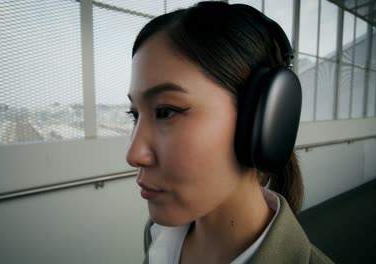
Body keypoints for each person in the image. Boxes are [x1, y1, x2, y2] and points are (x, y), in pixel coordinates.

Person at [125, 1, 333, 263]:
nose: (133, 155)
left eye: (166, 111)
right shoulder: (157, 237)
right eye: (134, 114)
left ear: (263, 121)